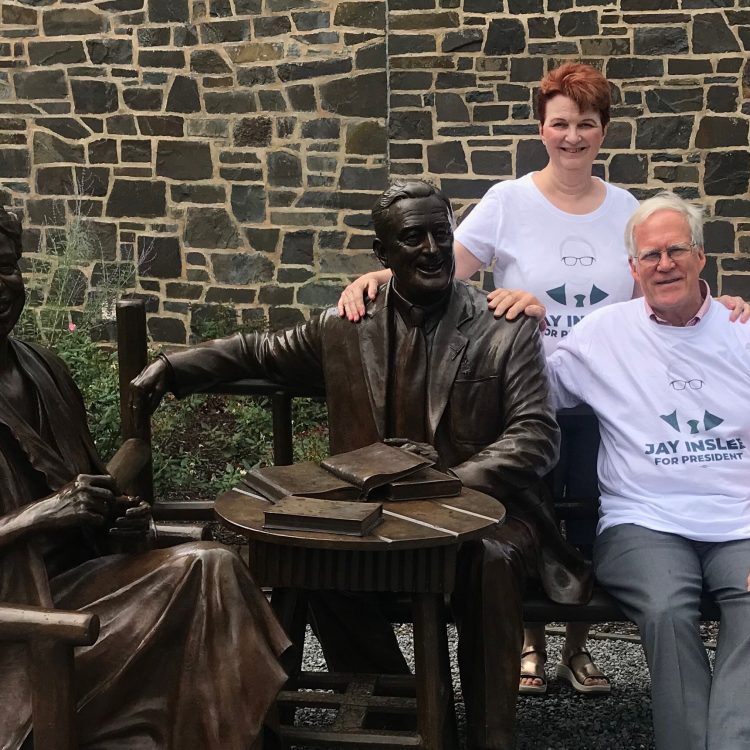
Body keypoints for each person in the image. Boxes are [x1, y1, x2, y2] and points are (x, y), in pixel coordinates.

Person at [132, 180, 590, 750]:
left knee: (489, 561)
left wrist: (445, 482)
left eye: (441, 233)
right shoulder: (345, 327)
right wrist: (172, 367)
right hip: (373, 517)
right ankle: (411, 714)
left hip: (487, 515)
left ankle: (490, 737)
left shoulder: (504, 325)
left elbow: (535, 435)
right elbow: (259, 351)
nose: (431, 248)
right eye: (413, 237)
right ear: (383, 255)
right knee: (315, 554)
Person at [337, 62, 750, 695]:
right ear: (542, 128)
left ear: (604, 131)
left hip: (610, 399)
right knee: (528, 510)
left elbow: (667, 278)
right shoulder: (508, 202)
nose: (573, 136)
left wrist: (725, 306)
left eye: (586, 123)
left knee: (586, 524)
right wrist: (379, 280)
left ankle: (578, 650)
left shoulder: (628, 210)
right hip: (524, 389)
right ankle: (530, 644)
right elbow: (446, 271)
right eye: (561, 123)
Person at [0, 206, 289, 750]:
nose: (1, 284)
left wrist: (115, 524)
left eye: (6, 266)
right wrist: (38, 516)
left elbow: (88, 495)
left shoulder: (41, 367)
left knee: (213, 568)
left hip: (73, 589)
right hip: (21, 629)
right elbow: (53, 508)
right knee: (204, 577)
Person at [546, 191, 750, 750]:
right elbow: (526, 382)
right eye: (650, 255)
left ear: (701, 257)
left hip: (740, 521)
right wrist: (512, 310)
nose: (664, 264)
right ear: (633, 269)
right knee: (665, 608)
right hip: (644, 521)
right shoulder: (602, 333)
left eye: (676, 250)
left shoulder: (742, 333)